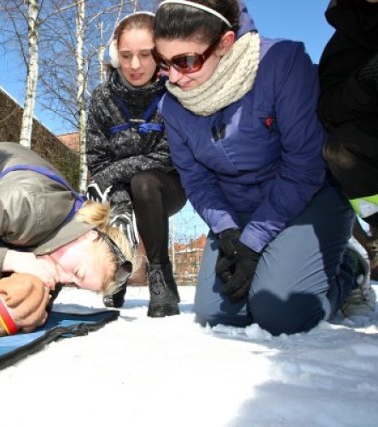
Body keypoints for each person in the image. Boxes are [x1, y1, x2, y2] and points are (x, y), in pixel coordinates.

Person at [153, 0, 373, 336]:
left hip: (308, 200)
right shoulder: (172, 106)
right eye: (164, 62)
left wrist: (253, 242)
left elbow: (305, 164)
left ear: (225, 43)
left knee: (281, 315)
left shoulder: (282, 63)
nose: (175, 77)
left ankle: (349, 270)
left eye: (186, 61)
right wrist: (227, 231)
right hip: (238, 210)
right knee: (216, 315)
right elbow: (196, 180)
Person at [0, 141, 136, 297]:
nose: (63, 279)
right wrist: (14, 260)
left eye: (75, 284)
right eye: (77, 273)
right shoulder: (26, 203)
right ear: (89, 235)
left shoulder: (70, 232)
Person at [86, 11, 186, 316]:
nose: (135, 65)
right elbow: (97, 160)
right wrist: (119, 200)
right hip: (118, 191)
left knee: (144, 181)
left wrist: (118, 172)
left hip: (165, 187)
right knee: (112, 200)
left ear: (159, 54)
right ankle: (119, 269)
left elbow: (168, 154)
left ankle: (160, 275)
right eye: (127, 55)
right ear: (115, 56)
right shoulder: (102, 98)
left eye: (145, 54)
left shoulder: (176, 93)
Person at [317, 0, 378, 280]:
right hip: (365, 139)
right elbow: (329, 108)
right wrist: (367, 81)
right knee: (341, 149)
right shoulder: (351, 33)